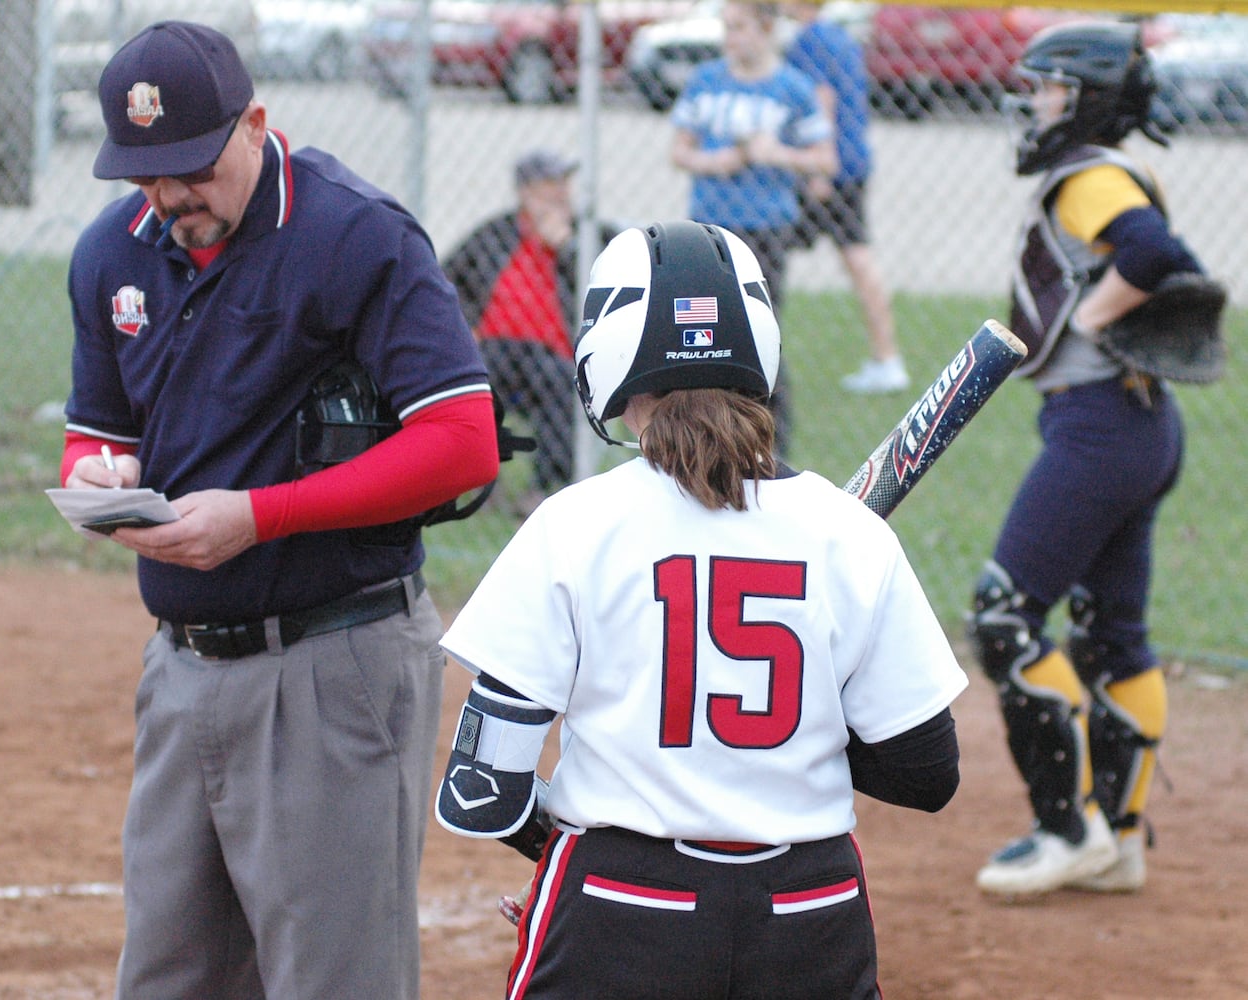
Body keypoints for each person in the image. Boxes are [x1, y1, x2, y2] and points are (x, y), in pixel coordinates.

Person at [60, 21, 499, 998]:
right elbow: (95, 430)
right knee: (172, 976)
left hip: (332, 657)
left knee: (333, 978)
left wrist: (262, 514)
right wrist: (97, 473)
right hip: (178, 667)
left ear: (255, 123)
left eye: (192, 168)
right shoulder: (113, 256)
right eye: (145, 176)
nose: (172, 199)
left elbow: (463, 442)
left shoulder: (355, 235)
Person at [432, 220, 968, 998]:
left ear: (606, 354)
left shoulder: (573, 526)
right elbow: (928, 774)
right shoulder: (848, 535)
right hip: (810, 915)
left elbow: (483, 790)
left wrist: (572, 850)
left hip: (621, 908)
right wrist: (795, 727)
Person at [969, 21, 1199, 896]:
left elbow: (1151, 253)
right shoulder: (1110, 171)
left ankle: (1071, 829)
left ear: (1089, 96)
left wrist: (1099, 320)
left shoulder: (1090, 177)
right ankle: (1122, 837)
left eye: (1050, 87)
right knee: (1112, 638)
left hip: (1102, 426)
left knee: (1005, 616)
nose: (1034, 102)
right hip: (1135, 426)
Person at [670, 0, 838, 456]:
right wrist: (714, 161)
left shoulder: (792, 88)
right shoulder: (706, 80)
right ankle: (702, 435)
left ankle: (770, 443)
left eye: (740, 28)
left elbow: (825, 159)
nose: (731, 37)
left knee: (758, 334)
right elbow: (680, 151)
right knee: (698, 334)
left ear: (766, 29)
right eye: (726, 27)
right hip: (707, 231)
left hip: (764, 229)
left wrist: (777, 153)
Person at [443, 150, 621, 515]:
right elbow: (445, 281)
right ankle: (477, 480)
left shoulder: (590, 235)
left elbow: (614, 289)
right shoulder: (496, 234)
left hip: (553, 353)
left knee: (559, 385)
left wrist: (568, 249)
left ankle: (545, 489)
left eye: (563, 185)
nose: (560, 194)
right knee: (472, 384)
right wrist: (464, 333)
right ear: (525, 193)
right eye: (548, 186)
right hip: (493, 347)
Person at [783, 1, 910, 395]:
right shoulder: (838, 36)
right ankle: (887, 357)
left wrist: (819, 168)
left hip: (830, 168)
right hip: (849, 162)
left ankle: (888, 358)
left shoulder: (810, 40)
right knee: (854, 253)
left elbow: (823, 98)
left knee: (850, 255)